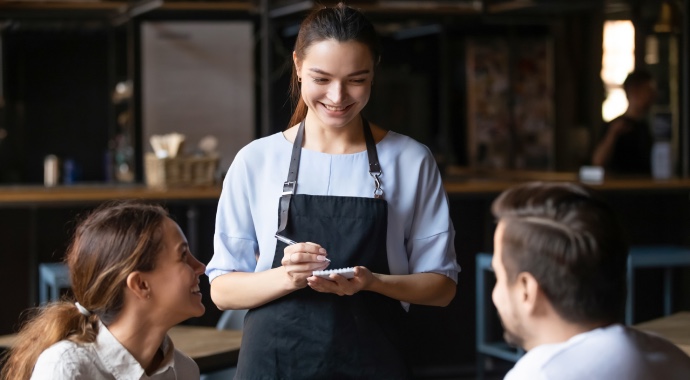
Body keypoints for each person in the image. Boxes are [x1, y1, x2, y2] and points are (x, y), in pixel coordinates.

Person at [206, 2, 459, 378]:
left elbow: (441, 287)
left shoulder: (410, 160)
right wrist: (287, 276)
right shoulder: (256, 161)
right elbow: (223, 290)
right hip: (274, 363)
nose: (338, 97)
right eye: (321, 79)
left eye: (356, 79)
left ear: (374, 72)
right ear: (297, 66)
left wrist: (373, 282)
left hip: (373, 359)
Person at [490, 181, 690, 380]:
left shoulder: (540, 374)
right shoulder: (673, 358)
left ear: (527, 290)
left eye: (498, 276)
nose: (495, 294)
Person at [0, 201, 206, 380]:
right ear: (141, 285)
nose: (200, 267)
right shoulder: (66, 369)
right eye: (183, 255)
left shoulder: (185, 371)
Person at [591, 69, 657, 175]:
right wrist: (613, 134)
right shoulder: (615, 126)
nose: (653, 96)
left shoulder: (647, 127)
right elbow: (598, 161)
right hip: (621, 188)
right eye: (648, 90)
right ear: (634, 91)